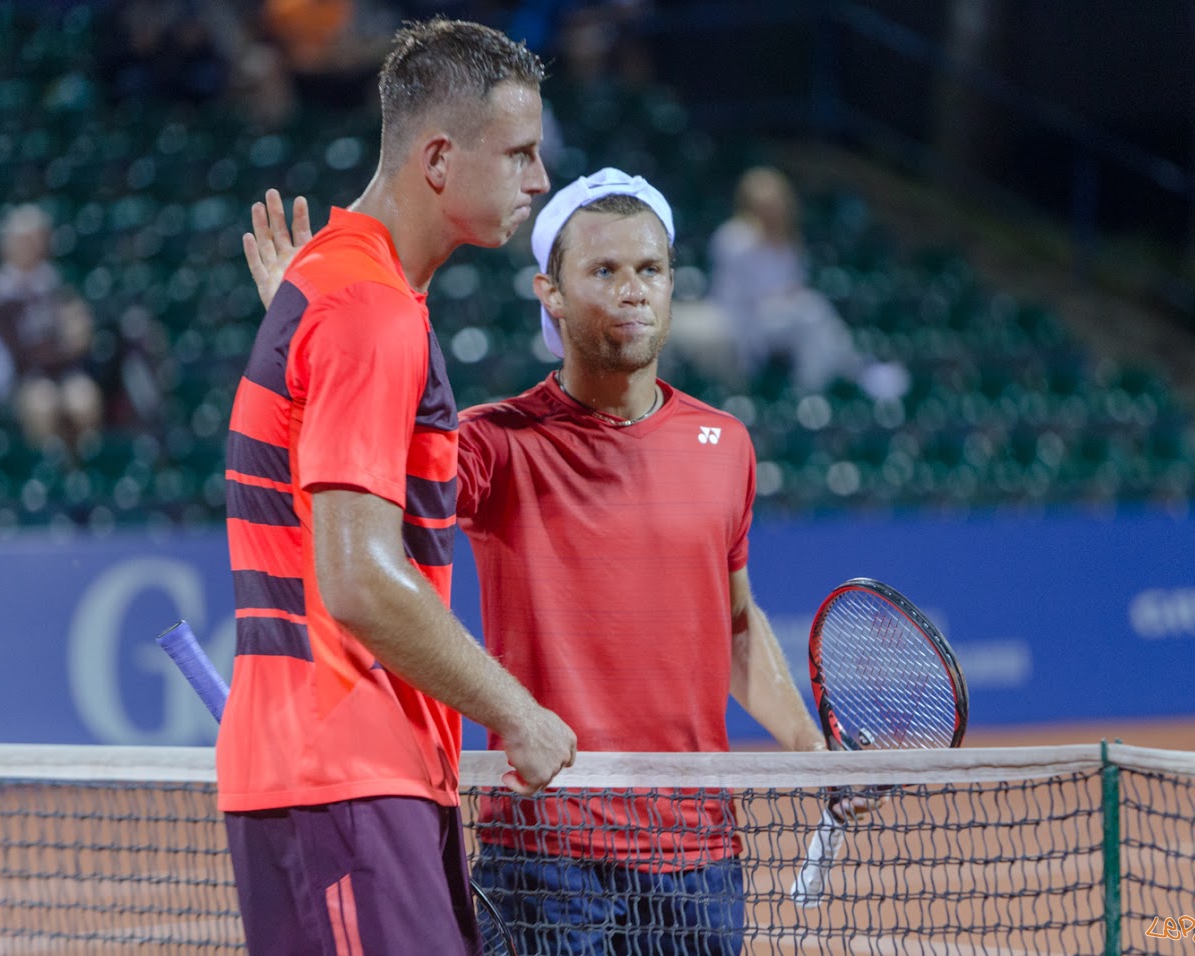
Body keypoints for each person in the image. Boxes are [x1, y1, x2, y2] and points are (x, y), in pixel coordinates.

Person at [245, 168, 844, 955]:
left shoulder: (724, 444)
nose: (633, 290)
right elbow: (363, 482)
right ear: (550, 294)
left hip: (699, 861)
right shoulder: (493, 442)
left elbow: (734, 623)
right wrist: (314, 334)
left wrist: (810, 754)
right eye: (604, 271)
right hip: (545, 860)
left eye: (650, 270)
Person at [218, 20, 577, 956]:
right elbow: (360, 577)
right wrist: (517, 713)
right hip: (343, 774)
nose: (538, 181)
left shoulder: (343, 292)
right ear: (439, 158)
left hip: (348, 777)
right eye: (521, 154)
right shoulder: (366, 310)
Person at [678, 165, 909, 401]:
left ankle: (839, 379)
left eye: (776, 203)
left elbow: (792, 284)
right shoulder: (735, 237)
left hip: (776, 319)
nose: (772, 211)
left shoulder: (788, 243)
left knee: (815, 317)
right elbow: (745, 294)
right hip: (739, 320)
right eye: (765, 204)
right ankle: (828, 385)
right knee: (812, 311)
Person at [0, 204, 103, 448]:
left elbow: (78, 338)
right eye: (26, 240)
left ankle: (85, 470)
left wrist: (74, 340)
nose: (34, 245)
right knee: (43, 401)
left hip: (60, 371)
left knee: (84, 396)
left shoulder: (53, 283)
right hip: (20, 379)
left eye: (38, 238)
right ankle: (46, 472)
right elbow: (20, 354)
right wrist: (61, 350)